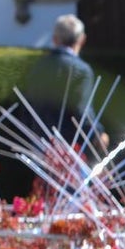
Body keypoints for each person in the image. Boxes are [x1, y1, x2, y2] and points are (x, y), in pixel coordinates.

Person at [20, 14, 109, 149]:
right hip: (68, 148)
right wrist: (97, 133)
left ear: (54, 39)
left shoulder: (37, 67)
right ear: (82, 40)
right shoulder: (81, 70)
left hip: (40, 143)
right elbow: (81, 110)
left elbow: (27, 107)